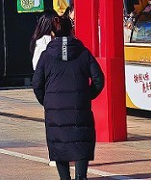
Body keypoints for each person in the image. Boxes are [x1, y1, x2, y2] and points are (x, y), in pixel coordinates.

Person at [32, 16, 105, 180]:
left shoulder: (46, 56)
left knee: (59, 143)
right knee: (80, 141)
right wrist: (86, 95)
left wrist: (47, 101)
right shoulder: (84, 53)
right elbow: (99, 79)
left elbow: (37, 84)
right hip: (79, 106)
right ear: (72, 31)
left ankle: (64, 177)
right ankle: (81, 176)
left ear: (52, 33)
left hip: (54, 108)